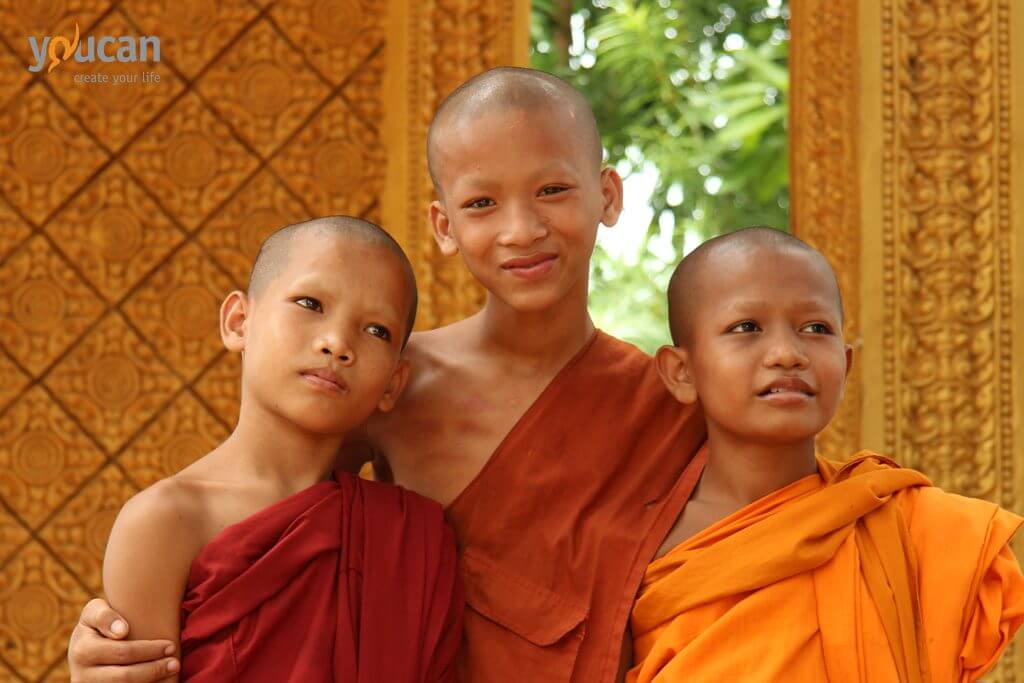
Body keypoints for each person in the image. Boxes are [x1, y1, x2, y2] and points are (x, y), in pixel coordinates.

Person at [70, 68, 706, 683]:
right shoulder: (391, 386)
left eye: (553, 191)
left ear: (609, 196)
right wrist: (110, 642)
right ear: (444, 225)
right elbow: (274, 557)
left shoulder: (666, 405)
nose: (521, 229)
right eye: (483, 202)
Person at [628, 226, 1024, 682]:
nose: (786, 353)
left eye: (816, 329)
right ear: (681, 372)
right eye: (746, 328)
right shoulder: (640, 547)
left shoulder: (908, 527)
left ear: (846, 364)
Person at [99, 216, 463, 682]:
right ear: (238, 322)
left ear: (393, 383)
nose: (337, 344)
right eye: (310, 303)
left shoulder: (412, 538)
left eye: (376, 331)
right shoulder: (165, 522)